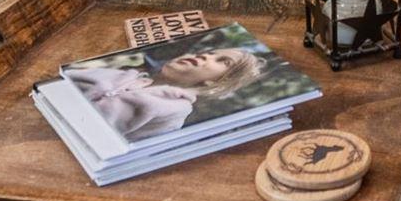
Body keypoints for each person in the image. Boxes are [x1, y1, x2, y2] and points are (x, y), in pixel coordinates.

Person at [61, 35, 272, 143]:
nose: (205, 55)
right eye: (211, 51)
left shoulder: (174, 111)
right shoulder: (129, 73)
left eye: (221, 61)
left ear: (217, 82)